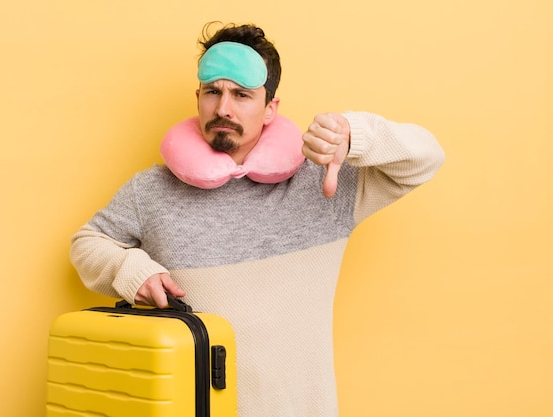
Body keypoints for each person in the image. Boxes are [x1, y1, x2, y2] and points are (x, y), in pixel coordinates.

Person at [70, 21, 445, 417]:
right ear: (198, 97)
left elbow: (427, 158)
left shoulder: (322, 181)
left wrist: (356, 136)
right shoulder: (152, 190)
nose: (223, 108)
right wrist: (132, 271)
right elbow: (87, 242)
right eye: (212, 91)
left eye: (241, 95)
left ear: (270, 108)